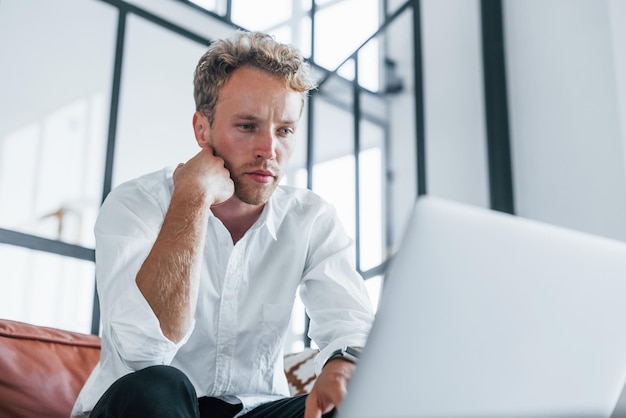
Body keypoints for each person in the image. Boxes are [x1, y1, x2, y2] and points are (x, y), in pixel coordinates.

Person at [71, 30, 374, 418]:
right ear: (202, 129)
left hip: (252, 410)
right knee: (160, 384)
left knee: (345, 405)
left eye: (284, 130)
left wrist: (343, 364)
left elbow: (350, 322)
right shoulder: (136, 205)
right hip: (147, 406)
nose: (269, 149)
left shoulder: (310, 218)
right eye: (247, 126)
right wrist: (192, 198)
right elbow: (144, 351)